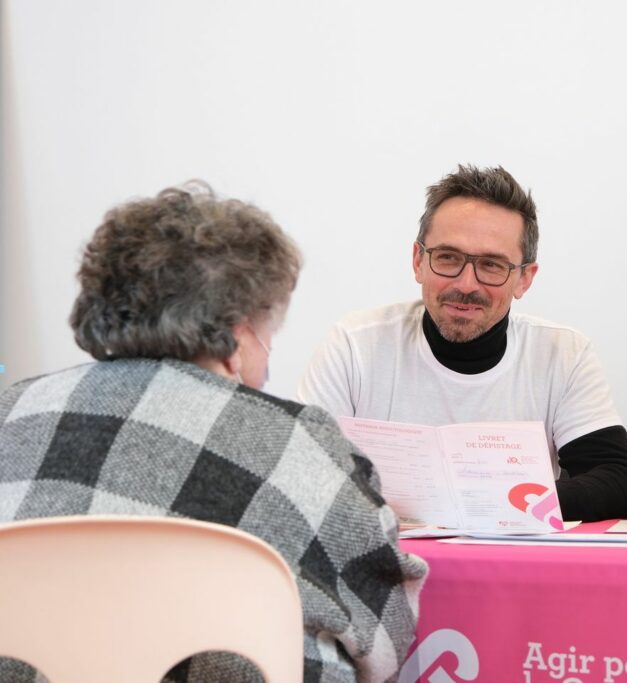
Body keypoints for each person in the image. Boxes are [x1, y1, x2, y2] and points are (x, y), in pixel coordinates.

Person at [0, 183, 427, 682]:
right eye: (269, 337)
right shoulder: (298, 442)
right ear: (237, 337)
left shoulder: (11, 413)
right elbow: (384, 636)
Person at [298, 165, 627, 522]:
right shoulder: (355, 346)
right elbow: (303, 476)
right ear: (418, 261)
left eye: (491, 265)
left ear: (524, 278)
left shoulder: (562, 354)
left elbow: (620, 483)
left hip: (514, 571)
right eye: (448, 258)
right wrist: (504, 500)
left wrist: (474, 502)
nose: (466, 284)